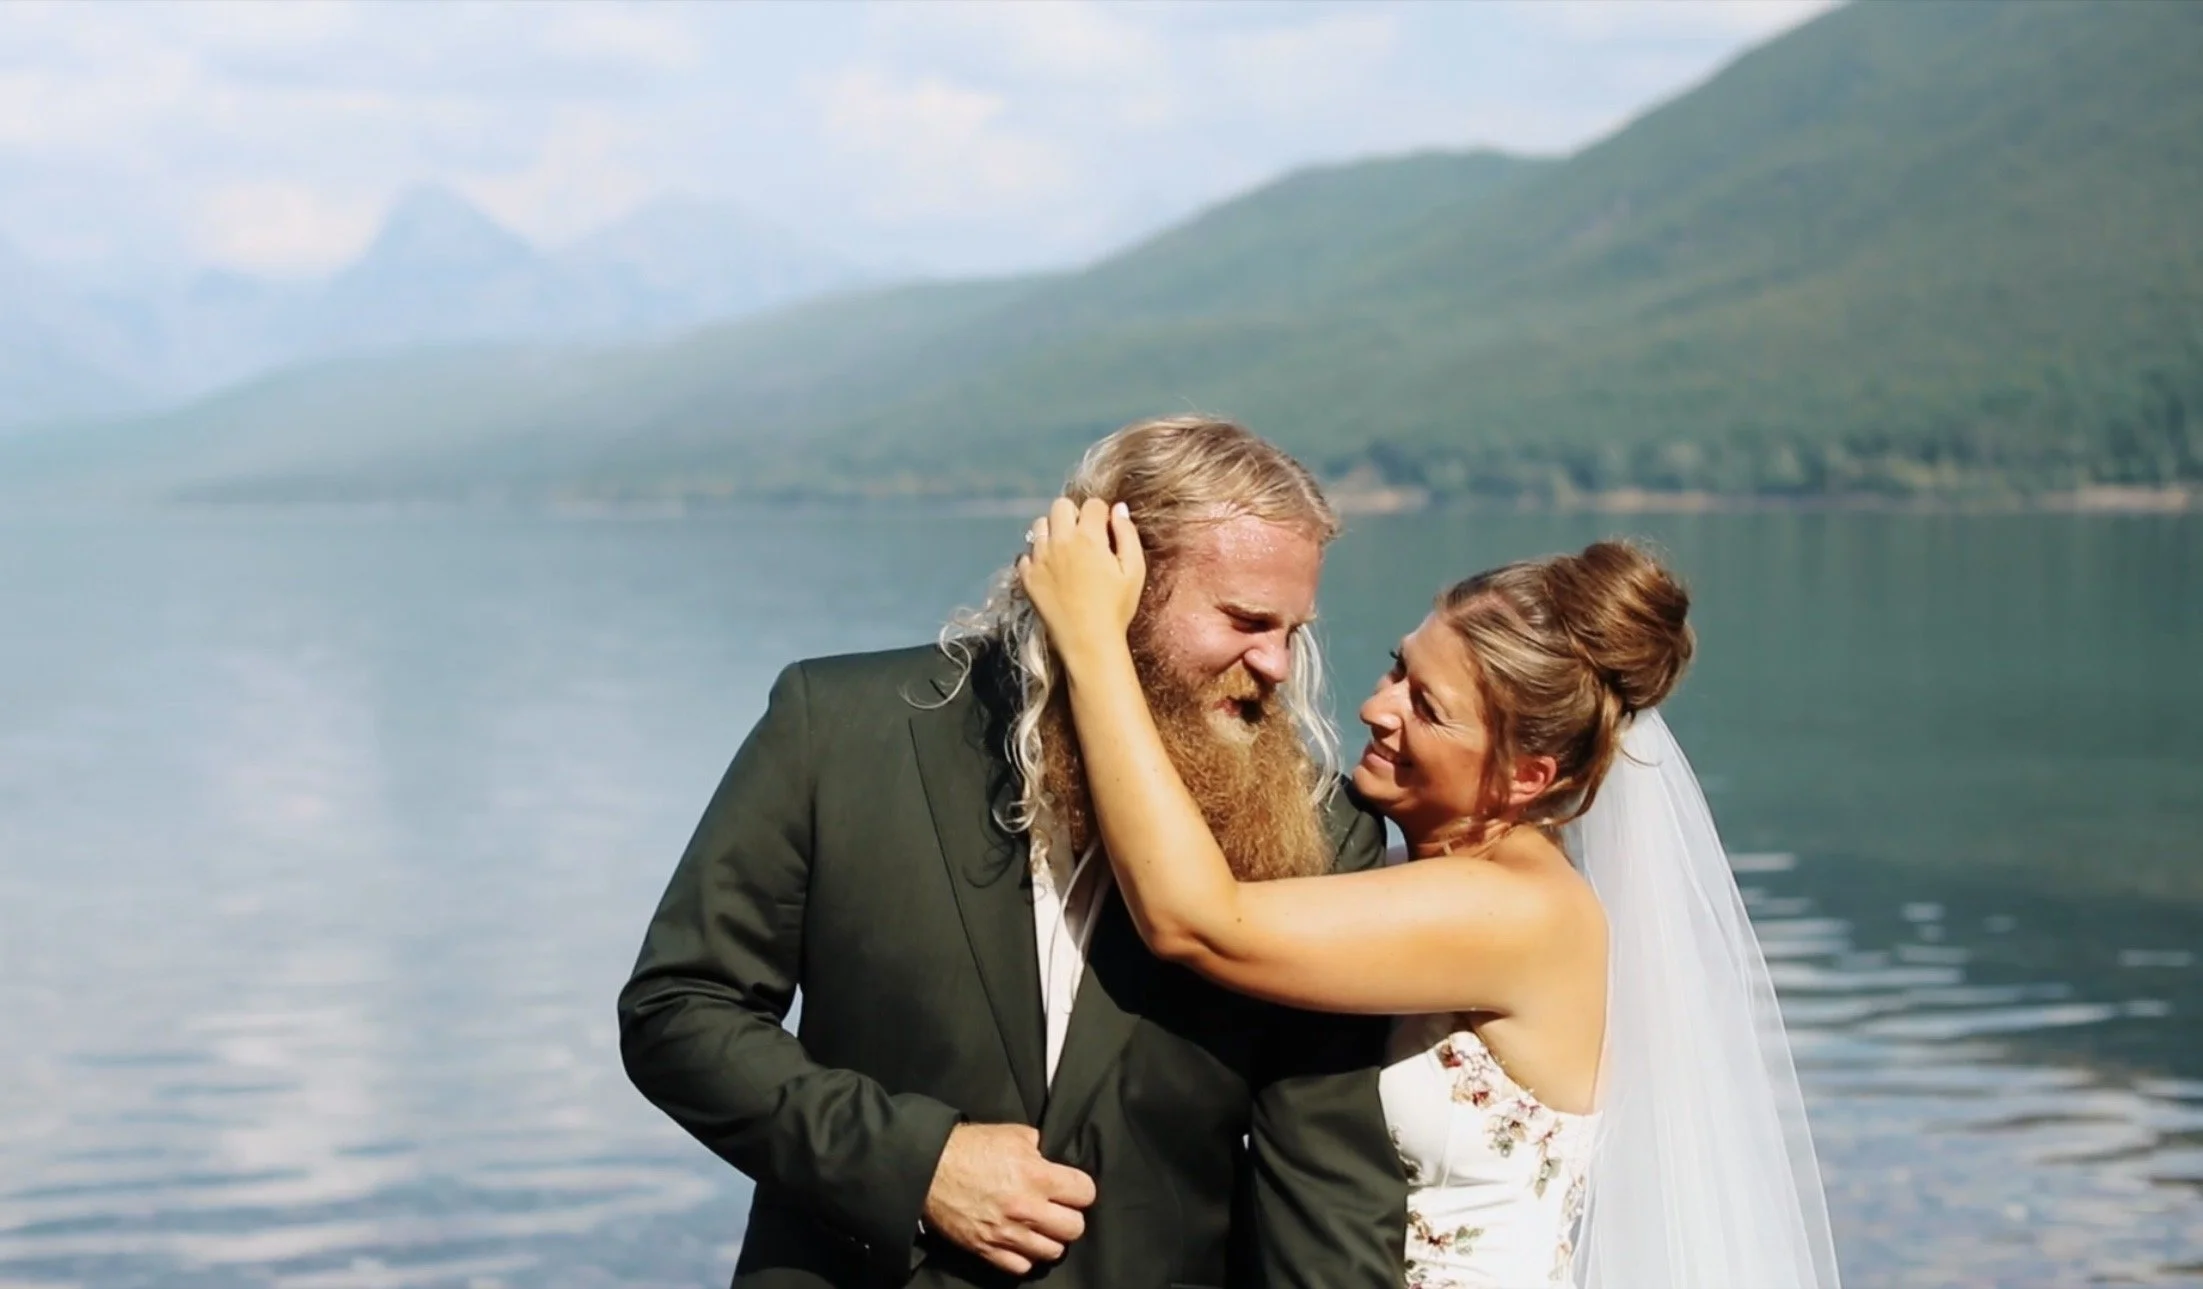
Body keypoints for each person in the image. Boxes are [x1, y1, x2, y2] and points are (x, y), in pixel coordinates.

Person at [618, 418, 1407, 1288]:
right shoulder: (839, 726)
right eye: (1246, 620)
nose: (1277, 665)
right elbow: (680, 1011)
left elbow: (1325, 1174)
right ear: (1118, 583)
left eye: (1294, 629)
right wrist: (916, 1164)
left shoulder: (1321, 829)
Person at [1016, 498, 1842, 1289]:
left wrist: (1092, 641)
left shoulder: (1520, 912)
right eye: (1396, 668)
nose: (1377, 707)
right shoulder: (1433, 885)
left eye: (1428, 708)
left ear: (1527, 775)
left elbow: (1197, 923)